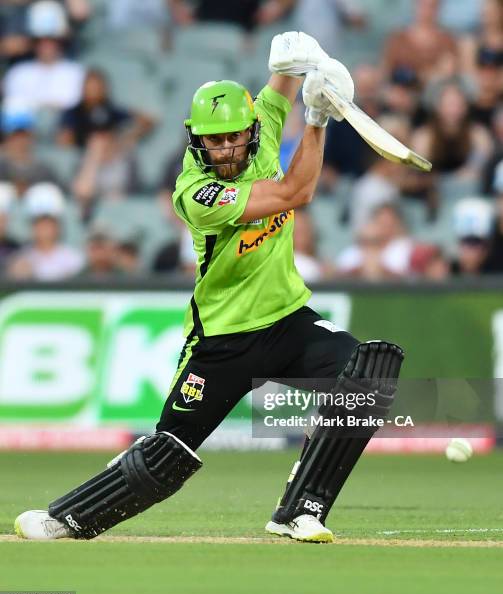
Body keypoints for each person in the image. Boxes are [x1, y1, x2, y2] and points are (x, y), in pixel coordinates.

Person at [14, 32, 403, 544]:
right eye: (212, 140)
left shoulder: (261, 125)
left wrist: (296, 56)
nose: (224, 148)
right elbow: (297, 191)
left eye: (233, 137)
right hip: (222, 341)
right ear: (195, 139)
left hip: (287, 321)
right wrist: (317, 118)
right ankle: (66, 518)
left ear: (250, 129)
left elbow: (283, 76)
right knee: (167, 457)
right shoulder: (197, 193)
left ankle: (301, 509)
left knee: (368, 375)